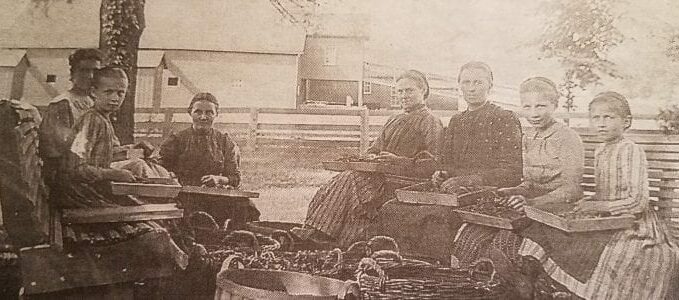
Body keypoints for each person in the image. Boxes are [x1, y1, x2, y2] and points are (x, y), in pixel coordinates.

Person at [519, 92, 678, 299]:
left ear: (626, 122)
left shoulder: (630, 150)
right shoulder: (601, 151)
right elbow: (604, 192)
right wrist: (589, 201)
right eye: (596, 118)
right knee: (559, 236)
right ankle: (552, 286)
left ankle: (592, 293)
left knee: (621, 252)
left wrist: (598, 207)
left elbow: (638, 201)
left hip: (635, 222)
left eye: (608, 118)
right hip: (608, 219)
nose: (601, 124)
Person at [451, 77, 584, 298]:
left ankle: (518, 290)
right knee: (471, 234)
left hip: (558, 208)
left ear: (555, 105)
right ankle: (480, 289)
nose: (534, 112)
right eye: (527, 106)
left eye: (541, 105)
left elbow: (571, 190)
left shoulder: (567, 138)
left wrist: (531, 203)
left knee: (505, 242)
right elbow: (530, 182)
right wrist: (513, 191)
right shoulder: (529, 136)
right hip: (529, 206)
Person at [305, 70, 443, 247]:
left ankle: (321, 233)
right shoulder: (394, 119)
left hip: (405, 181)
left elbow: (434, 163)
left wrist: (398, 160)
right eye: (400, 91)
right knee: (340, 181)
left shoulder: (430, 121)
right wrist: (369, 155)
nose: (403, 96)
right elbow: (375, 149)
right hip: (380, 177)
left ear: (423, 90)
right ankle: (323, 233)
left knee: (350, 179)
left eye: (409, 91)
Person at [159, 92, 259, 226]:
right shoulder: (176, 141)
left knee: (246, 207)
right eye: (198, 112)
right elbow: (159, 170)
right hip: (183, 197)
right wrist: (170, 176)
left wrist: (218, 179)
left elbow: (234, 178)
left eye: (209, 112)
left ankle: (234, 241)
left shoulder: (224, 142)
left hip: (214, 197)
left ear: (216, 114)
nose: (203, 117)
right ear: (190, 113)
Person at [433, 61, 522, 190]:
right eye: (466, 82)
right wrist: (442, 174)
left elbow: (512, 172)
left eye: (478, 82)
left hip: (492, 193)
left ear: (490, 86)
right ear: (460, 86)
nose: (471, 88)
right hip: (456, 191)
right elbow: (447, 163)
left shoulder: (504, 117)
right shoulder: (456, 121)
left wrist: (468, 180)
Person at [40, 48, 103, 186]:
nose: (90, 76)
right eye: (84, 70)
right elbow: (60, 151)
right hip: (68, 179)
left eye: (95, 71)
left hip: (91, 170)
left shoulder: (93, 102)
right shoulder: (62, 104)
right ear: (72, 73)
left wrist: (132, 149)